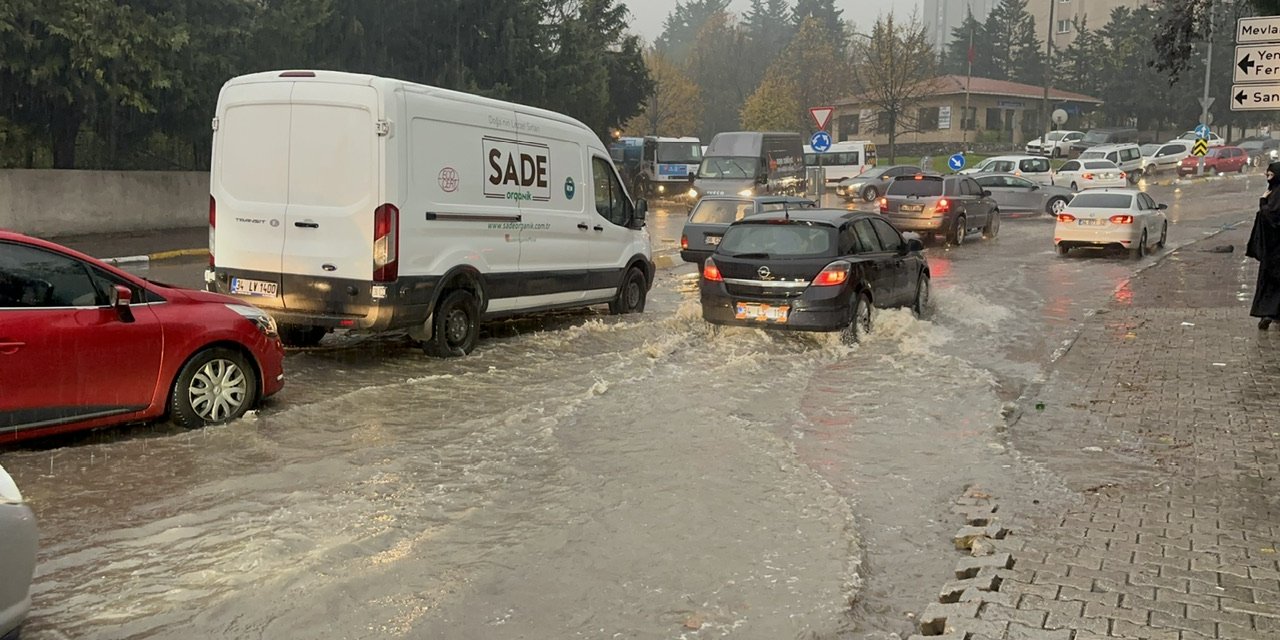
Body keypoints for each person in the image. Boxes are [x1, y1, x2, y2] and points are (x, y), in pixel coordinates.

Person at [1247, 162, 1280, 329]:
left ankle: (1268, 313)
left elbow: (1271, 217)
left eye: (1271, 176)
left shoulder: (1277, 194)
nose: (1268, 179)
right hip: (1273, 249)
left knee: (1272, 282)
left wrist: (1263, 202)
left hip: (1275, 250)